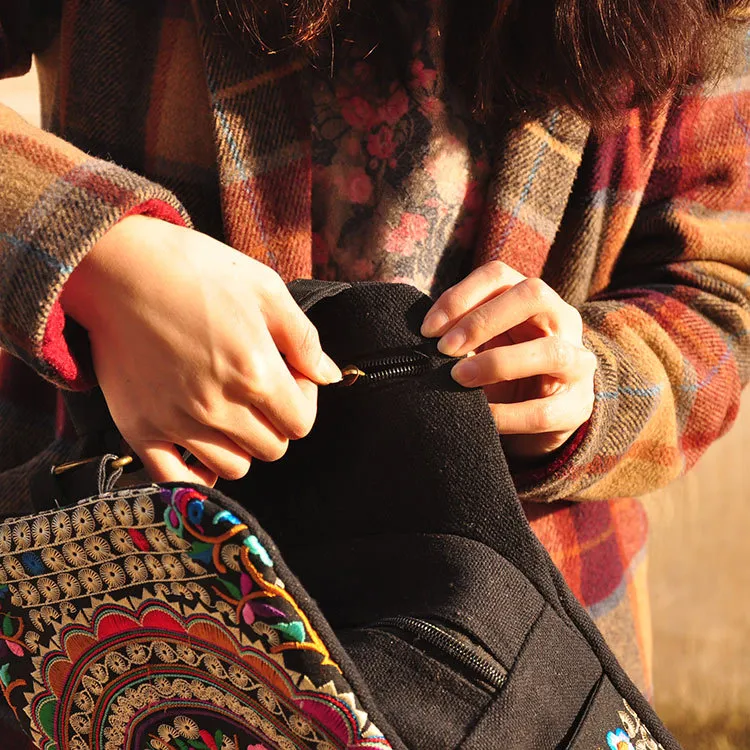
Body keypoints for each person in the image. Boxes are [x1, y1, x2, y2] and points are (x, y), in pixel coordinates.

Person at [0, 0, 748, 721]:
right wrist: (100, 256)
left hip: (519, 657)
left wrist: (588, 391)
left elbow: (716, 288)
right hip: (118, 594)